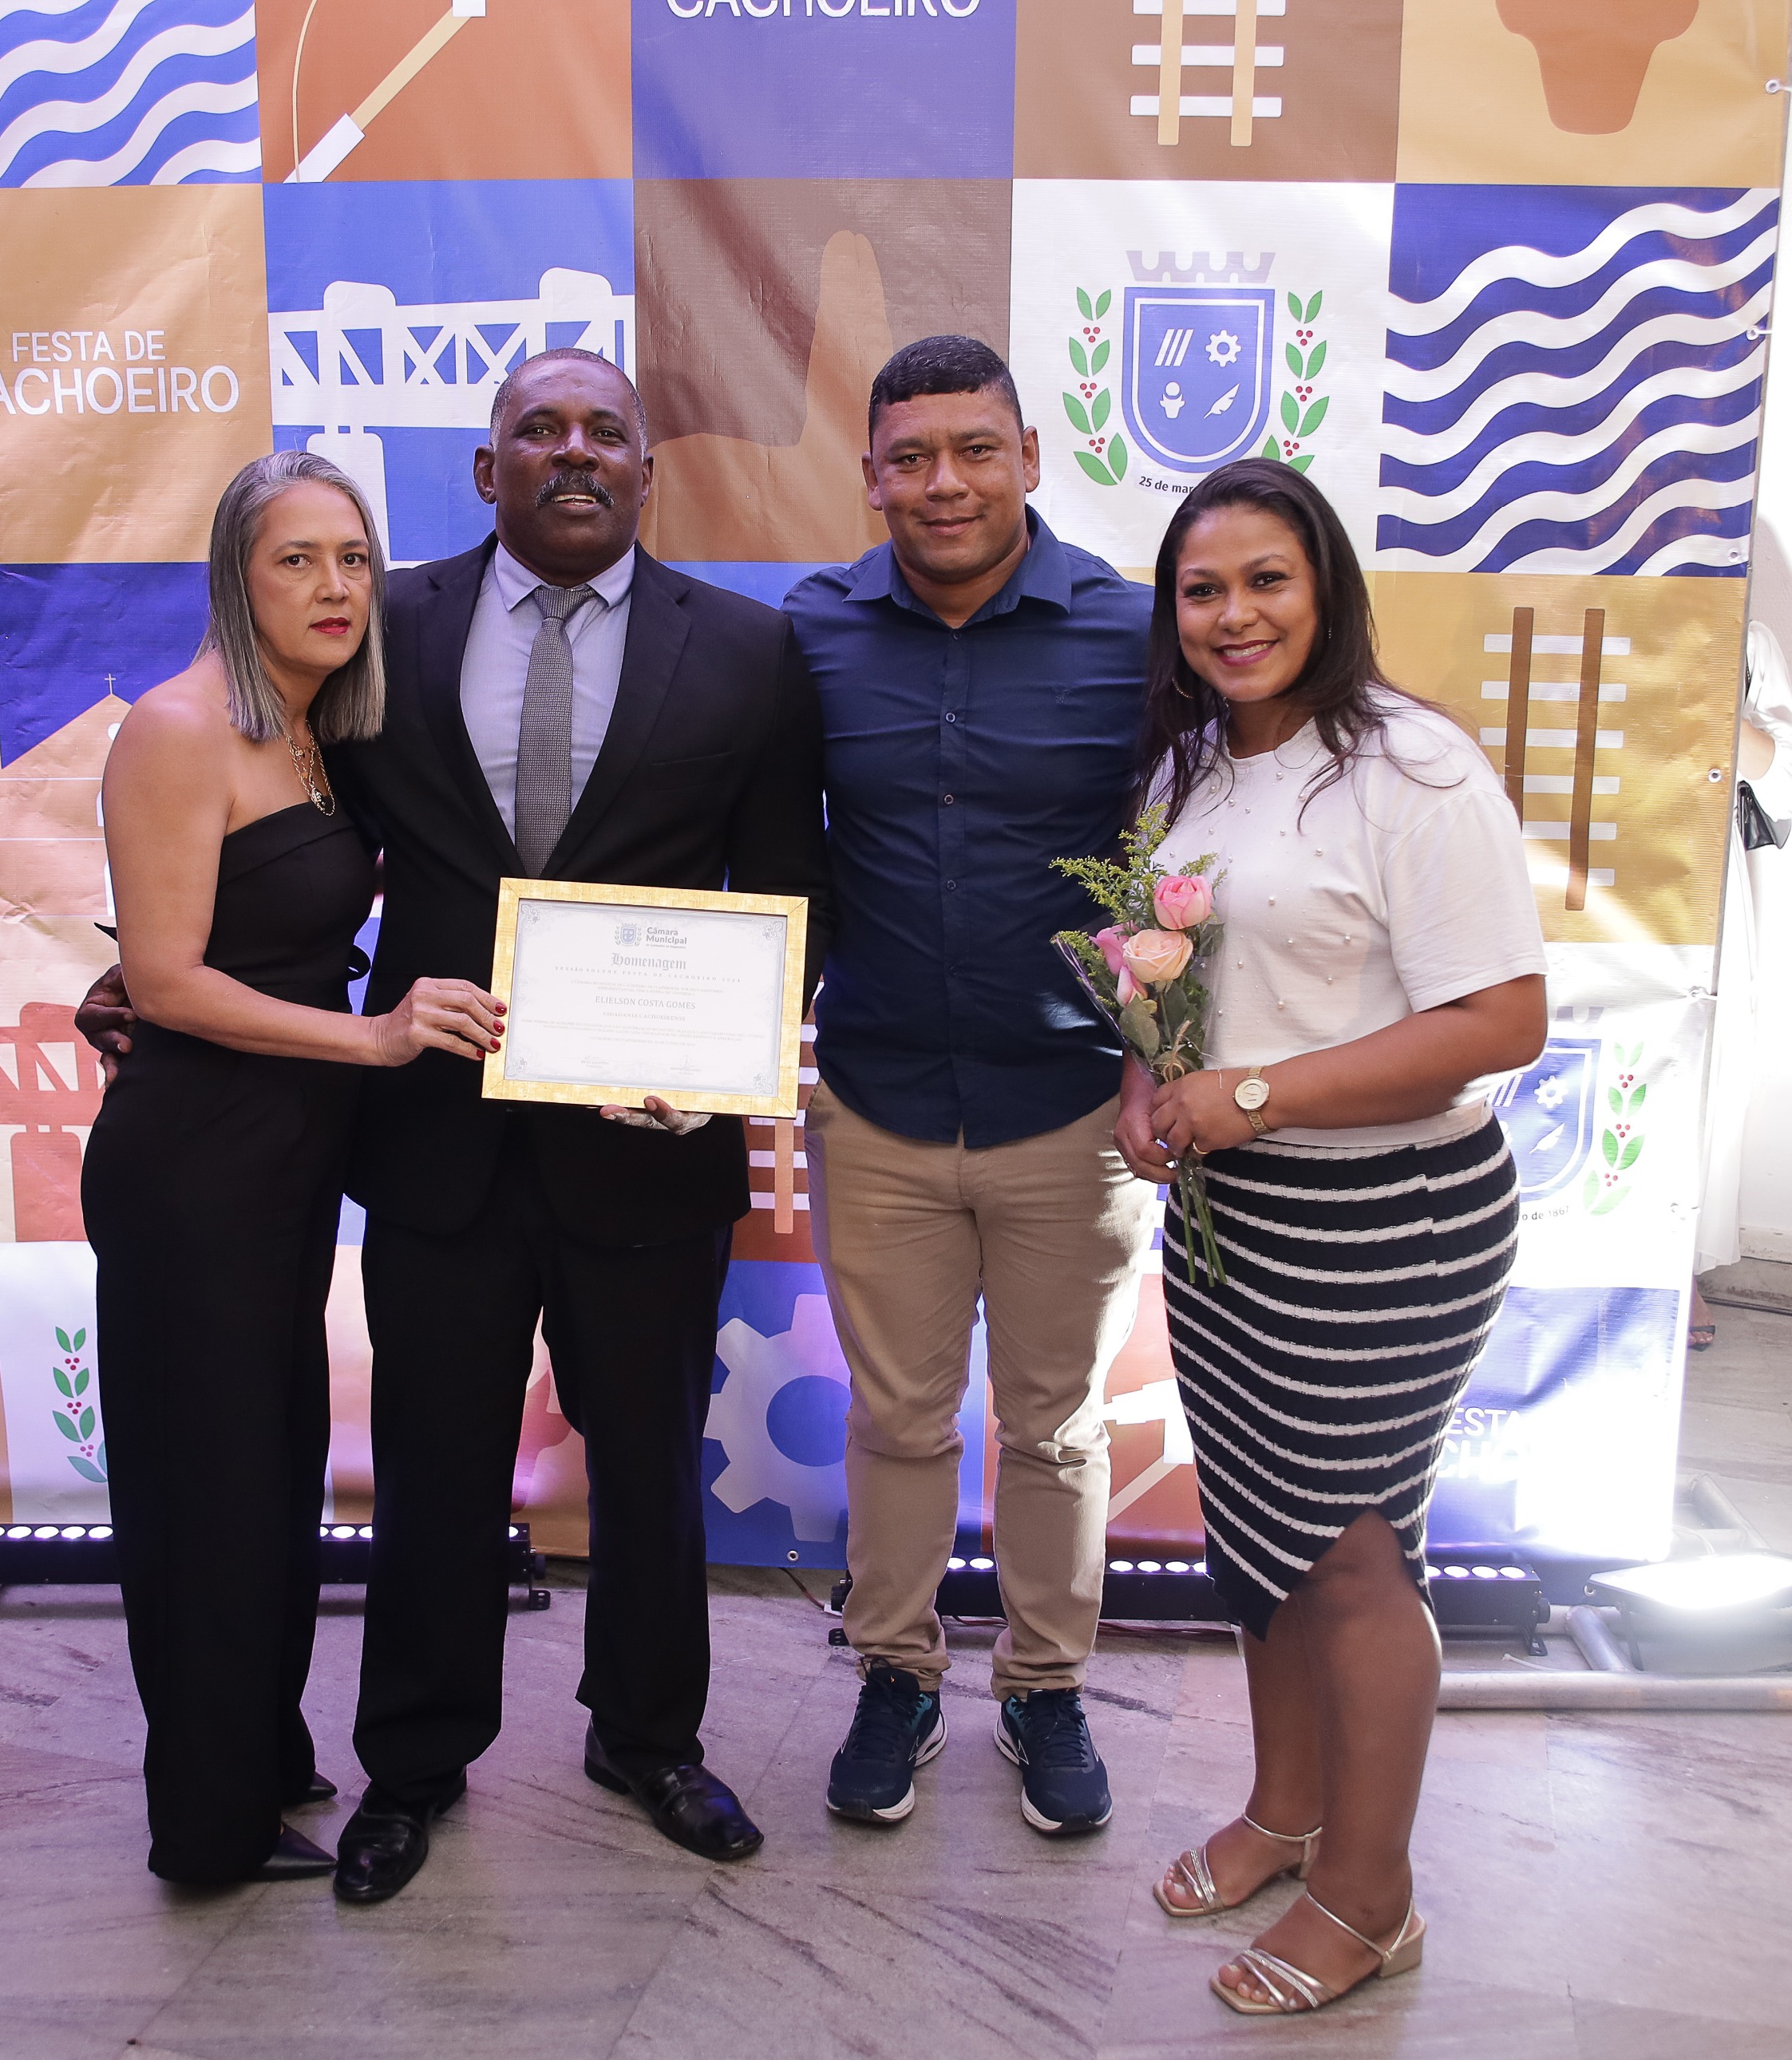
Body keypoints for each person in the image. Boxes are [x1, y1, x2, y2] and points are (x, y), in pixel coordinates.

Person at [1125, 459, 1546, 2015]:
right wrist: (1148, 1083)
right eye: (1203, 589)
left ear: (1326, 591)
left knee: (1354, 1556)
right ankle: (1285, 1812)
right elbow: (1173, 965)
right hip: (1232, 1214)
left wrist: (1251, 1093)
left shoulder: (1411, 766)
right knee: (1261, 1533)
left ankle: (1371, 1898)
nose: (1233, 615)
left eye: (1266, 581)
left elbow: (1500, 1019)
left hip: (1389, 1213)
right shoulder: (1188, 765)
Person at [79, 451, 504, 1886]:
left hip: (280, 1168)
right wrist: (374, 1038)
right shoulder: (175, 727)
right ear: (234, 576)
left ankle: (256, 1761)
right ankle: (206, 1830)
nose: (335, 587)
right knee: (208, 1493)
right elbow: (167, 980)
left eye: (354, 559)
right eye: (296, 560)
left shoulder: (322, 731)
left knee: (264, 1481)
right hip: (194, 1168)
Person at [785, 335, 1154, 1837]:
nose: (945, 482)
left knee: (1057, 1426)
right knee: (897, 1418)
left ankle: (1046, 1686)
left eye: (976, 450)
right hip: (875, 1101)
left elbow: (1209, 849)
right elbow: (748, 842)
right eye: (912, 456)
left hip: (1074, 1109)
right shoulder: (807, 633)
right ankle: (897, 1671)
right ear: (871, 475)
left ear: (1029, 459)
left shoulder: (1137, 633)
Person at [1690, 620, 1792, 1350]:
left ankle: (1674, 1265)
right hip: (1561, 863)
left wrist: (1704, 695)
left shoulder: (1740, 630)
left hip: (1693, 879)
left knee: (1699, 1076)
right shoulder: (1539, 591)